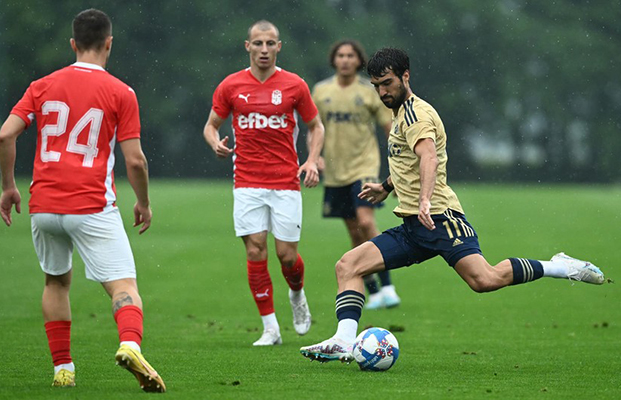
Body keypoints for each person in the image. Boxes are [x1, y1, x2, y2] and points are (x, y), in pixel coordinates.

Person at [299, 47, 606, 362]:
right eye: (377, 85)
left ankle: (560, 266)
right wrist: (386, 186)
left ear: (405, 76)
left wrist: (424, 199)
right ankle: (343, 340)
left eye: (387, 83)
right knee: (348, 265)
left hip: (441, 219)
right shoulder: (399, 112)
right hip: (413, 226)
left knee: (484, 280)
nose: (382, 92)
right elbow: (407, 161)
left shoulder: (416, 114)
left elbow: (428, 157)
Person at [0, 9, 165, 392]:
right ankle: (130, 345)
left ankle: (63, 369)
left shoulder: (42, 85)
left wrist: (8, 186)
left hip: (43, 205)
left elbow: (5, 136)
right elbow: (135, 160)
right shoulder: (121, 92)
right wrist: (143, 202)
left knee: (56, 283)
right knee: (123, 286)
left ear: (73, 43)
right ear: (109, 43)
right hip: (91, 204)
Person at [203, 20, 325, 346]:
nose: (264, 50)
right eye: (258, 43)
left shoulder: (294, 85)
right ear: (248, 46)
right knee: (256, 249)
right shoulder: (231, 85)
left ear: (279, 47)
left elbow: (316, 126)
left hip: (285, 181)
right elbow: (211, 125)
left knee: (286, 256)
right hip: (247, 181)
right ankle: (270, 328)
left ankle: (297, 294)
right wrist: (215, 143)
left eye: (270, 43)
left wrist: (312, 160)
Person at [312, 39, 400, 310]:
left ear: (358, 60)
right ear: (334, 60)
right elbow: (314, 128)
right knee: (354, 231)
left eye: (350, 55)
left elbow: (390, 128)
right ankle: (373, 292)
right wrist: (314, 157)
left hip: (364, 167)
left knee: (366, 221)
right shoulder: (321, 91)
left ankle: (388, 286)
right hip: (336, 171)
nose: (345, 60)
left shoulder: (369, 91)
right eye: (341, 55)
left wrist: (398, 164)